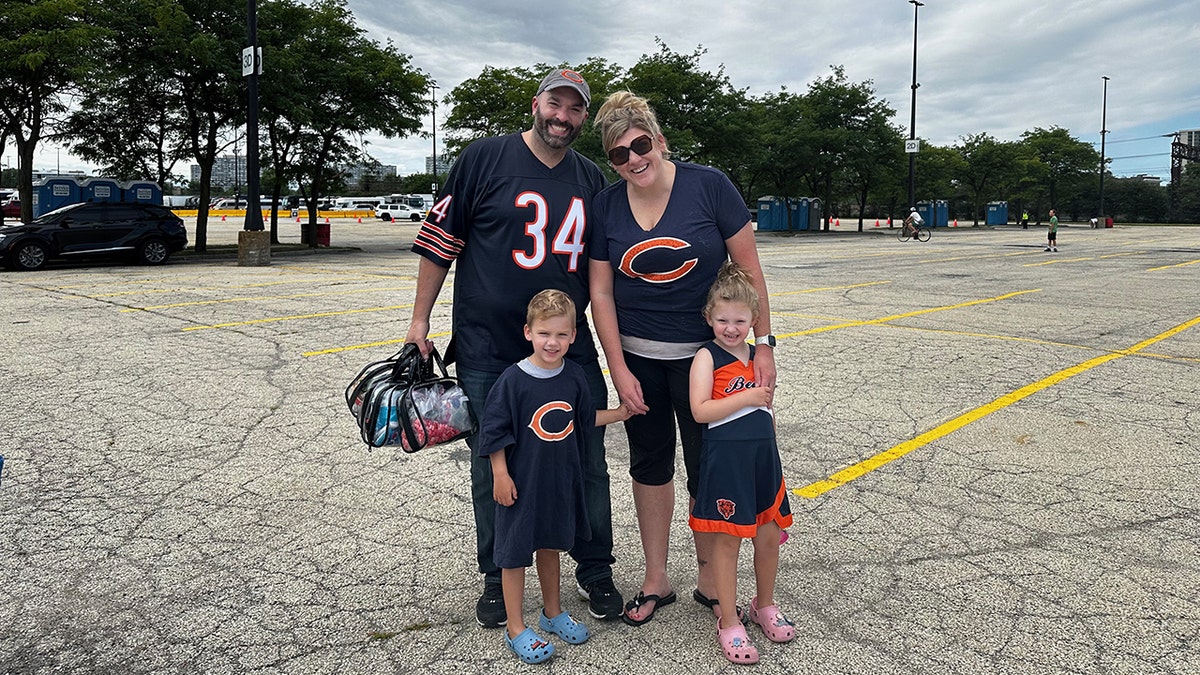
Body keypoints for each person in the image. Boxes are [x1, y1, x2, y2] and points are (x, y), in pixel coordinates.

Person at [404, 68, 625, 628]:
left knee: (585, 461)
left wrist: (617, 359)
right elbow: (440, 243)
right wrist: (418, 321)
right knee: (491, 464)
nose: (563, 117)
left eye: (576, 110)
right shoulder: (482, 159)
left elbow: (602, 277)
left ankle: (594, 566)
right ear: (536, 103)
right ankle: (498, 575)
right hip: (488, 345)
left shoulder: (591, 178)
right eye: (557, 103)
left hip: (566, 350)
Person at [587, 90, 775, 627]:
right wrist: (618, 368)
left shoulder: (709, 186)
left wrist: (763, 344)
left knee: (708, 466)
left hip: (708, 359)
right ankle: (655, 578)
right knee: (649, 465)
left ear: (660, 141)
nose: (633, 160)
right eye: (618, 154)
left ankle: (711, 578)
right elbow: (601, 292)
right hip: (640, 358)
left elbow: (750, 271)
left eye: (640, 145)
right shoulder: (606, 204)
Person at [479, 290, 632, 664]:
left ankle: (552, 612)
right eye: (545, 333)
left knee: (550, 548)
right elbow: (495, 431)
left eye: (562, 335)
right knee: (514, 557)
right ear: (528, 332)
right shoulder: (513, 381)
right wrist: (500, 474)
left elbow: (582, 420)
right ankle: (516, 627)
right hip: (520, 486)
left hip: (557, 483)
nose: (553, 342)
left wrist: (619, 413)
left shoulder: (574, 376)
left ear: (574, 336)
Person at [688, 261, 794, 665]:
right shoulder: (707, 356)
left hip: (762, 460)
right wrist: (747, 397)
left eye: (739, 320)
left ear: (753, 320)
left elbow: (767, 413)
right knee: (728, 542)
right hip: (726, 463)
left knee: (768, 537)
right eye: (722, 320)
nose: (730, 328)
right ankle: (728, 620)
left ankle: (763, 604)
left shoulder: (758, 358)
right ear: (709, 318)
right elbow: (700, 410)